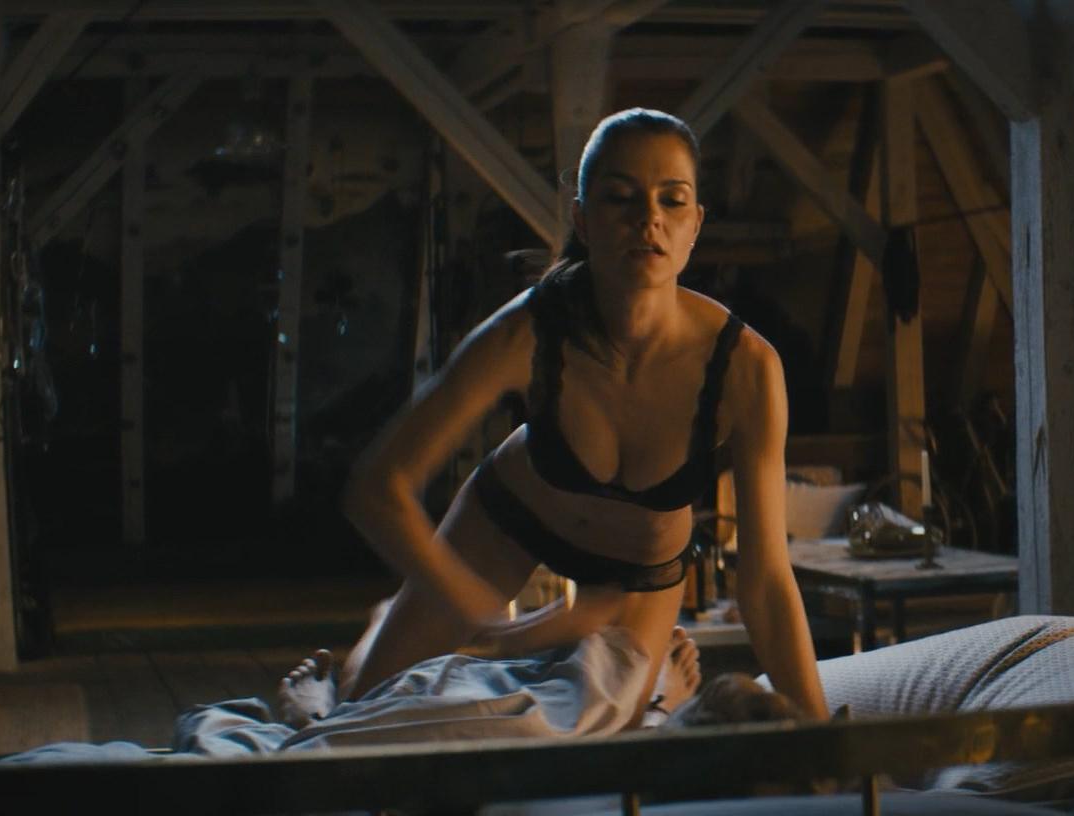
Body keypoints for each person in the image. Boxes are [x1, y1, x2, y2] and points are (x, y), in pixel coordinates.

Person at [277, 107, 826, 728]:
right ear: (582, 219)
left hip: (638, 572)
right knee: (360, 712)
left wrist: (824, 736)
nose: (648, 218)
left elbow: (765, 581)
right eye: (620, 197)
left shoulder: (746, 367)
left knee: (600, 737)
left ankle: (660, 693)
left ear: (695, 224)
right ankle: (354, 659)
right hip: (513, 518)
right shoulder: (528, 332)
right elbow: (378, 488)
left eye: (671, 200)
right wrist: (483, 621)